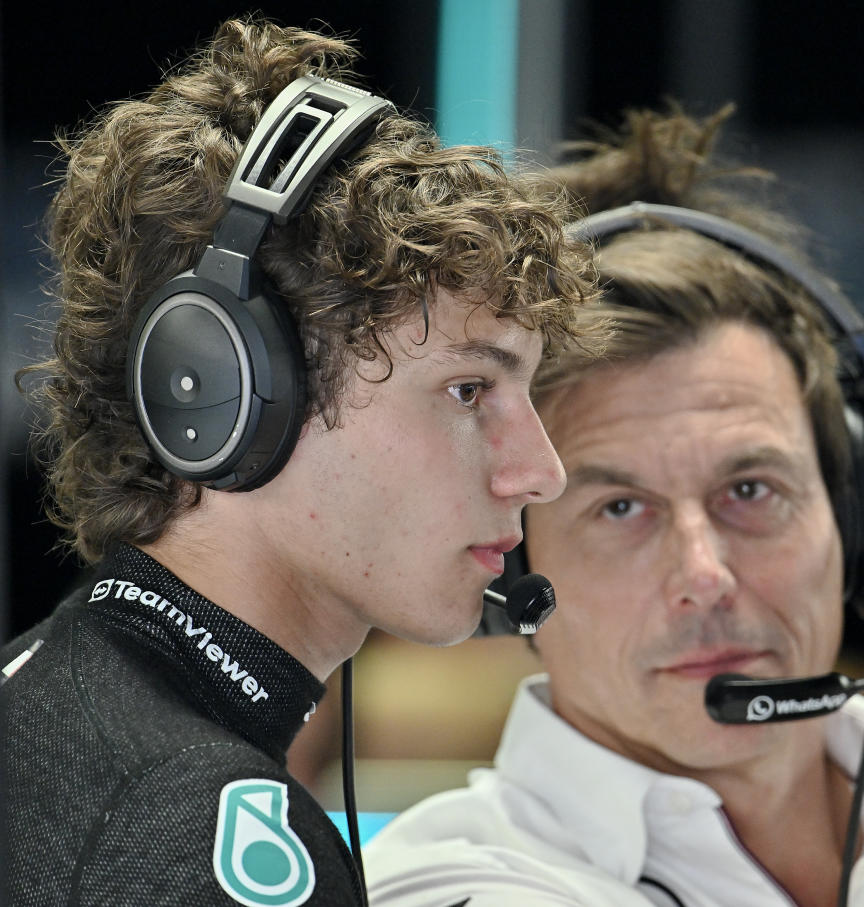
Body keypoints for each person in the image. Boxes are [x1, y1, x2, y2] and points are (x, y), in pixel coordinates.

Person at [0, 16, 600, 907]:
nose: (540, 471)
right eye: (470, 391)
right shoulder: (192, 836)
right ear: (225, 397)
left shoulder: (50, 694)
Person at [364, 106, 864, 906]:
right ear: (517, 564)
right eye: (620, 509)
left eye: (751, 491)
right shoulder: (454, 885)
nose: (705, 575)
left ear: (855, 521)